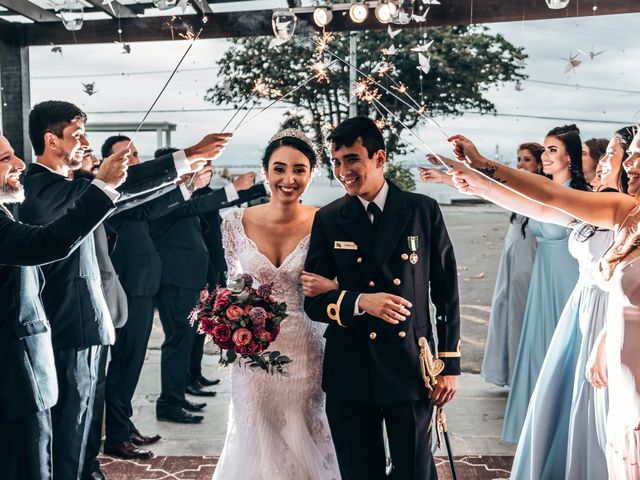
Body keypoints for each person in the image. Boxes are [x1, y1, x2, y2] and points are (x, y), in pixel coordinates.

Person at [18, 100, 229, 479]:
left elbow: (129, 197)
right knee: (66, 429)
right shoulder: (37, 187)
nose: (84, 143)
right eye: (76, 135)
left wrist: (183, 173)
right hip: (64, 326)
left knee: (84, 423)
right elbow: (115, 191)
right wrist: (188, 155)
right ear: (51, 140)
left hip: (88, 325)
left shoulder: (78, 188)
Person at [450, 126, 640, 479]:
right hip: (605, 335)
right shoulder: (625, 212)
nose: (629, 163)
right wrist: (481, 179)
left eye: (632, 154)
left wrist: (483, 168)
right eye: (627, 155)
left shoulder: (622, 208)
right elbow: (545, 206)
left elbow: (551, 198)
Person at [303, 117, 461, 480]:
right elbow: (313, 300)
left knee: (414, 472)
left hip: (409, 366)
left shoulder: (422, 210)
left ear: (379, 157)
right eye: (337, 161)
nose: (343, 171)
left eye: (352, 159)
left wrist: (449, 364)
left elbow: (446, 292)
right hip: (350, 368)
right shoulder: (329, 218)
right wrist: (361, 301)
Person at [213, 129, 341, 479]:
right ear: (265, 171)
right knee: (256, 428)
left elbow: (345, 280)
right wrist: (227, 320)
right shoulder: (235, 222)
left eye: (299, 169)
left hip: (307, 347)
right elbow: (232, 284)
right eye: (280, 169)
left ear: (311, 173)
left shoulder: (327, 220)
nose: (289, 179)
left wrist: (334, 286)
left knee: (305, 428)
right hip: (253, 353)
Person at [0, 133, 127, 480]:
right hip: (15, 379)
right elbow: (49, 242)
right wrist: (103, 188)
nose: (19, 165)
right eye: (5, 159)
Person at [149, 151, 259, 423]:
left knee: (183, 341)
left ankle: (178, 396)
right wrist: (236, 188)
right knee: (177, 342)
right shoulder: (163, 200)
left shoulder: (177, 200)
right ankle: (170, 403)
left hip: (187, 281)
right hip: (174, 281)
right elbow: (200, 206)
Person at [421, 144, 543, 387]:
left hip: (531, 258)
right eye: (519, 159)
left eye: (527, 160)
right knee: (506, 309)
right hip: (514, 253)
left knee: (524, 311)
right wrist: (444, 162)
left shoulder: (537, 189)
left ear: (539, 164)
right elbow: (484, 182)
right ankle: (512, 372)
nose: (521, 165)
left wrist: (444, 174)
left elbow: (487, 182)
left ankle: (529, 374)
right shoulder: (516, 185)